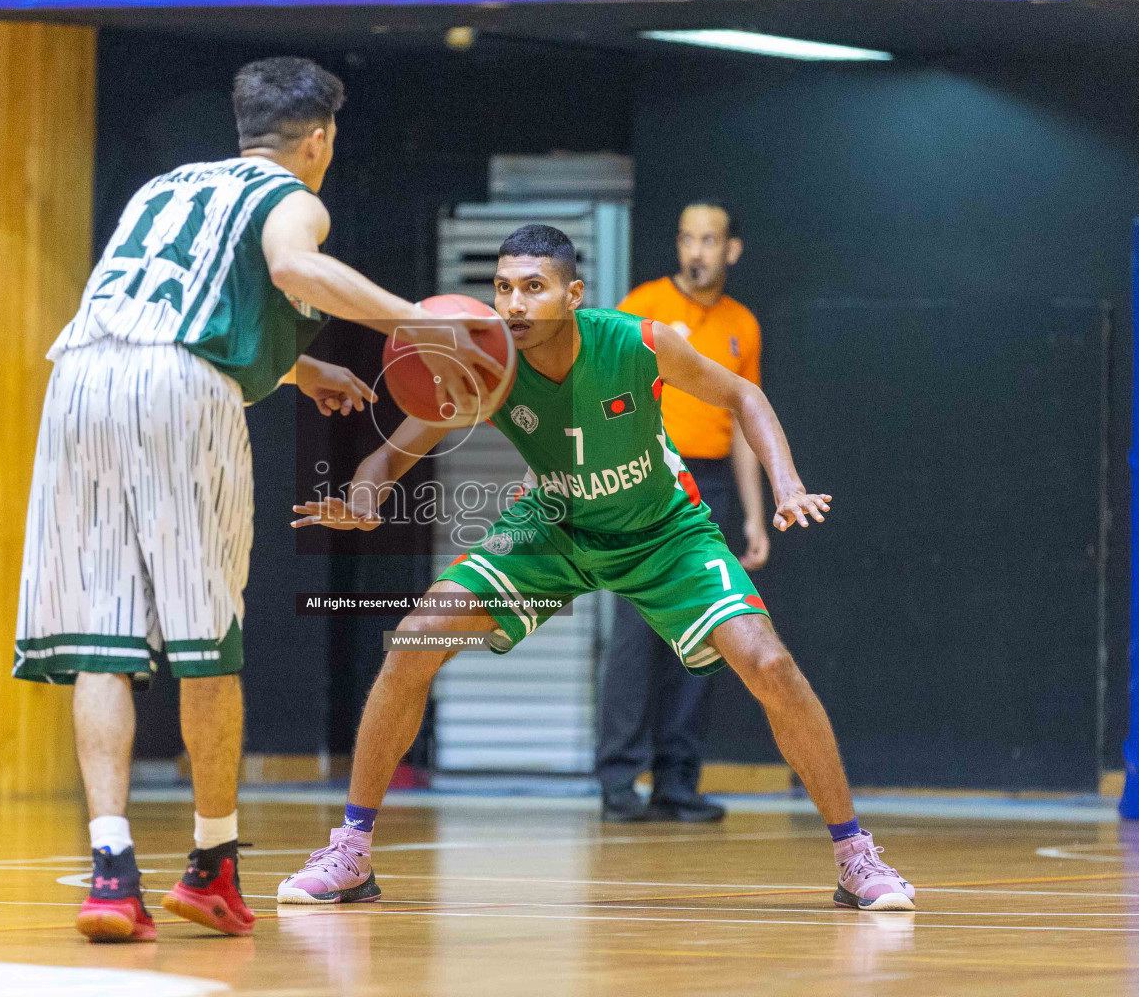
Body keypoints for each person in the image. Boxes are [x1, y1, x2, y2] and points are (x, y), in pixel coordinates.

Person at [12, 56, 505, 943]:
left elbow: (175, 310)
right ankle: (210, 866)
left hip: (77, 380)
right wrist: (416, 320)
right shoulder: (294, 197)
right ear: (317, 141)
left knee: (105, 633)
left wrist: (300, 365)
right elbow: (293, 270)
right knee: (206, 636)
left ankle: (111, 871)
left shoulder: (167, 188)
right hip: (180, 390)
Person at [281, 224, 915, 912]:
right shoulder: (484, 361)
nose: (514, 304)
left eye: (532, 288)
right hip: (553, 525)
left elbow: (743, 395)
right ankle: (351, 851)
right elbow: (389, 456)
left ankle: (856, 858)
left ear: (572, 294)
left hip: (660, 531)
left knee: (769, 665)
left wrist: (786, 483)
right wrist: (365, 496)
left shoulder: (637, 341)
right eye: (501, 288)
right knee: (417, 638)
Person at [596, 200, 766, 824]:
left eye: (710, 239)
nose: (697, 250)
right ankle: (618, 781)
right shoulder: (643, 303)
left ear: (731, 250)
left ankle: (677, 782)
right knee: (637, 634)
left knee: (707, 633)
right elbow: (598, 389)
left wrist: (753, 514)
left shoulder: (741, 325)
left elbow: (745, 422)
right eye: (688, 238)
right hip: (645, 478)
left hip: (714, 484)